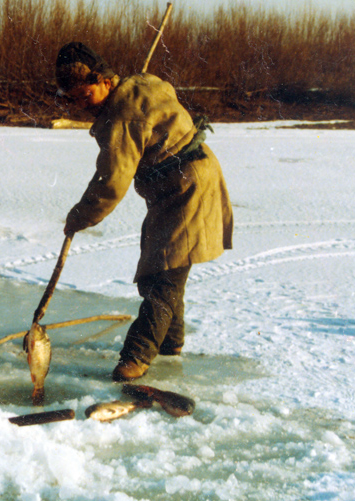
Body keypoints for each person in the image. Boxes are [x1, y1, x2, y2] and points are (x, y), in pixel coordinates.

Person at [54, 42, 233, 382]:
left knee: (164, 273)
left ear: (106, 81)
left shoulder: (123, 117)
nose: (81, 105)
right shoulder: (140, 84)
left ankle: (136, 357)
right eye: (74, 99)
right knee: (164, 266)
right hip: (175, 185)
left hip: (186, 186)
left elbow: (112, 181)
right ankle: (170, 342)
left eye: (86, 95)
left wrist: (81, 215)